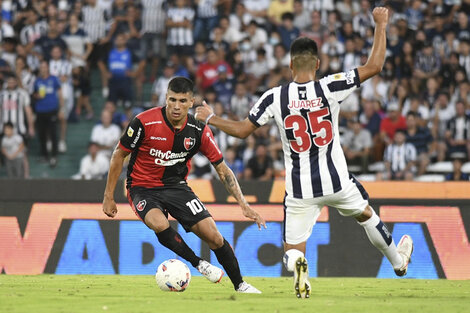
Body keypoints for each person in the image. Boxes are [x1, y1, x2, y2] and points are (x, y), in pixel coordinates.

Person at [195, 8, 413, 299]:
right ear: (318, 63)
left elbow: (243, 130)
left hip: (299, 191)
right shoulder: (330, 86)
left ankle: (300, 266)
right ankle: (398, 263)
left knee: (292, 250)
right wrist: (381, 25)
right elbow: (374, 66)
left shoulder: (275, 97)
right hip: (337, 182)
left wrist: (210, 117)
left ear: (290, 64)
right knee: (366, 214)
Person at [102, 77, 265, 294]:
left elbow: (222, 169)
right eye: (172, 100)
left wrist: (243, 204)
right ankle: (199, 264)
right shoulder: (144, 122)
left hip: (177, 187)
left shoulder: (198, 130)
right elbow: (118, 155)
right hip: (142, 187)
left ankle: (240, 285)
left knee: (214, 236)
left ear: (191, 102)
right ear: (165, 99)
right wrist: (108, 196)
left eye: (181, 101)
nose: (176, 106)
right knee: (158, 223)